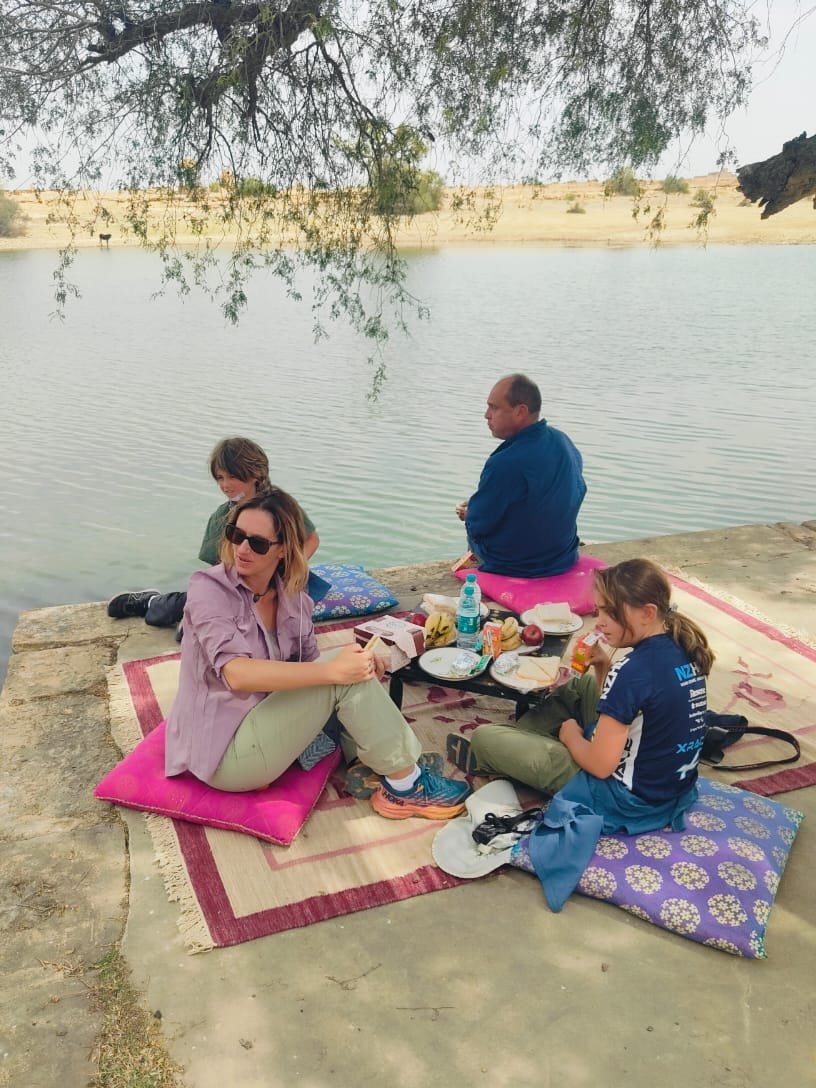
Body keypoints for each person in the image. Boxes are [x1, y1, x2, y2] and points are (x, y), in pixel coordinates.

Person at [165, 486, 471, 820]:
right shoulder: (209, 590)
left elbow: (311, 668)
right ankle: (405, 786)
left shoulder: (292, 594)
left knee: (351, 666)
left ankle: (382, 764)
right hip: (224, 753)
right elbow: (236, 674)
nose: (242, 549)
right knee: (338, 673)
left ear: (283, 549)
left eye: (257, 543)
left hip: (267, 720)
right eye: (236, 535)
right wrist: (334, 671)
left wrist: (356, 663)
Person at [447, 559, 714, 906]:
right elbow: (632, 712)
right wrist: (602, 664)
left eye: (610, 613)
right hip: (666, 785)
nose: (599, 621)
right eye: (599, 610)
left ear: (647, 613)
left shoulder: (633, 671)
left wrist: (571, 737)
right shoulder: (682, 644)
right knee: (582, 687)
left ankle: (508, 752)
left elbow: (601, 767)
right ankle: (520, 747)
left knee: (486, 738)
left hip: (623, 798)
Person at [107, 436, 319, 626]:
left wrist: (289, 570)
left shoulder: (281, 509)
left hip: (276, 585)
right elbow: (215, 567)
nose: (225, 485)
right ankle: (152, 601)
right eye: (220, 478)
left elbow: (311, 539)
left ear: (256, 473)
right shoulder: (221, 518)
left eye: (232, 477)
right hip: (235, 589)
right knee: (169, 618)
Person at [455, 373, 585, 577]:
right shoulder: (563, 441)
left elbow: (480, 525)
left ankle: (481, 572)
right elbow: (576, 491)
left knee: (476, 530)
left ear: (520, 412)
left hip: (519, 566)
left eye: (494, 408)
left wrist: (469, 514)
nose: (486, 415)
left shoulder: (505, 462)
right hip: (562, 554)